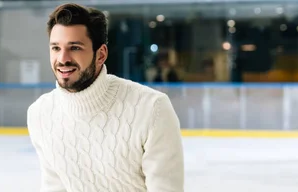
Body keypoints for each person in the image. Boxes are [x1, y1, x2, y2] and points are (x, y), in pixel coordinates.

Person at [26, 3, 184, 192]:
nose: (62, 58)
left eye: (75, 47)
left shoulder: (151, 109)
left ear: (100, 55)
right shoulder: (40, 113)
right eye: (55, 48)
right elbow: (54, 186)